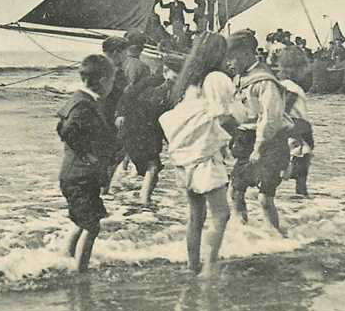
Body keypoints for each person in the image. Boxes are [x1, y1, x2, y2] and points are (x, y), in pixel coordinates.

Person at [159, 32, 244, 276]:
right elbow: (224, 116)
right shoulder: (216, 78)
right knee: (221, 214)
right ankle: (209, 268)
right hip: (204, 156)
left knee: (196, 215)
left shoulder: (189, 81)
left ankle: (193, 265)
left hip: (183, 155)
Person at [225, 29, 292, 235]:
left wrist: (259, 147)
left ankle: (276, 237)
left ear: (246, 54)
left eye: (232, 58)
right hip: (246, 138)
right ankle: (242, 232)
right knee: (235, 191)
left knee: (264, 197)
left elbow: (270, 118)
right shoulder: (239, 78)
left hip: (269, 141)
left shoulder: (264, 81)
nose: (229, 63)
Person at [57, 54, 119, 272]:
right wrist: (88, 156)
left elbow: (61, 127)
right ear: (103, 80)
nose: (112, 86)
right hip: (80, 175)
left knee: (82, 222)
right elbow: (67, 131)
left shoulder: (79, 100)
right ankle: (80, 271)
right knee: (92, 226)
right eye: (112, 81)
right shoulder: (84, 104)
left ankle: (68, 258)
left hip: (76, 174)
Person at [117, 54, 183, 206]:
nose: (179, 77)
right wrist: (121, 114)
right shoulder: (151, 82)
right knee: (150, 165)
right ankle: (142, 200)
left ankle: (136, 196)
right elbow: (128, 95)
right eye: (176, 73)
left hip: (151, 130)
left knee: (150, 165)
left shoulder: (174, 89)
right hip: (138, 125)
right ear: (166, 70)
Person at [277, 47, 315, 197]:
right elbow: (284, 108)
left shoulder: (283, 84)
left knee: (296, 163)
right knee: (301, 167)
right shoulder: (292, 87)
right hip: (297, 126)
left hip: (293, 126)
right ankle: (301, 197)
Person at [101, 36, 130, 193]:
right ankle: (103, 191)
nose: (126, 56)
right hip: (110, 116)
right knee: (114, 154)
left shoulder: (98, 67)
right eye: (125, 52)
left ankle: (102, 192)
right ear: (117, 52)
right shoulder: (112, 71)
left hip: (101, 116)